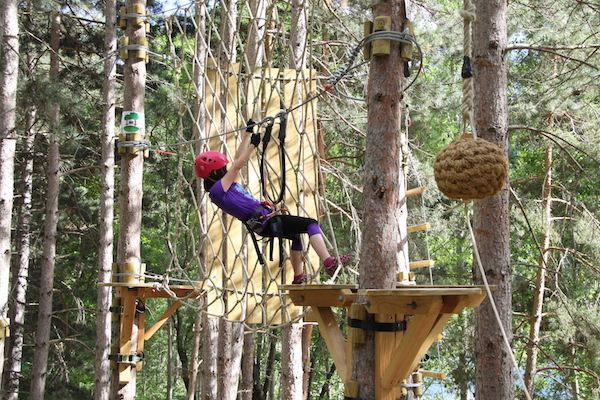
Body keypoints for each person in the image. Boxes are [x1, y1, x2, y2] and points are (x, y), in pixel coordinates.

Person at [195, 120, 354, 284]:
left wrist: (248, 134)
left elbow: (236, 159)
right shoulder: (217, 191)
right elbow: (236, 166)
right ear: (214, 172)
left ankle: (298, 277)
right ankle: (329, 263)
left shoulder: (221, 188)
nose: (225, 170)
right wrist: (253, 146)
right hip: (265, 222)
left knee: (297, 237)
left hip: (264, 220)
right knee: (311, 224)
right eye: (222, 169)